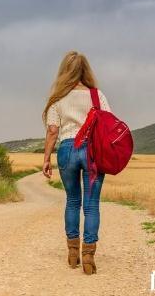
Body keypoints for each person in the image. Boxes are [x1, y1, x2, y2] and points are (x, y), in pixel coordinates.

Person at [41, 51, 111, 275]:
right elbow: (109, 123)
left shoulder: (58, 98)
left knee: (72, 201)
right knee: (91, 205)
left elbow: (53, 131)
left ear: (64, 71)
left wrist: (46, 159)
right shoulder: (96, 95)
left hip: (67, 150)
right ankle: (88, 256)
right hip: (92, 152)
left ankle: (73, 254)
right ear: (86, 70)